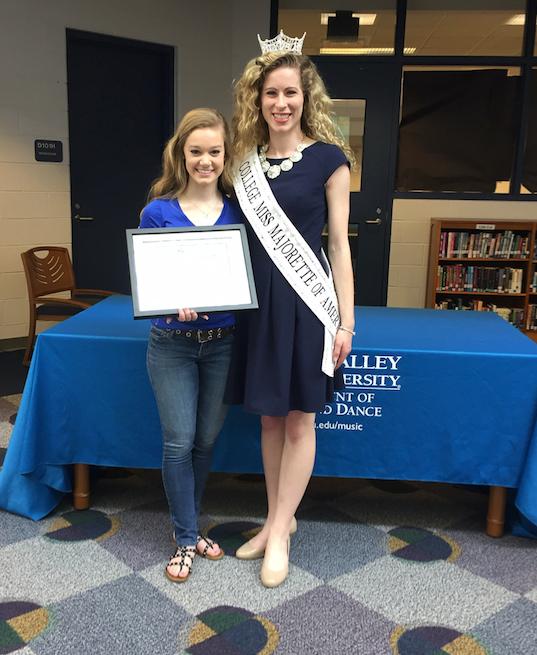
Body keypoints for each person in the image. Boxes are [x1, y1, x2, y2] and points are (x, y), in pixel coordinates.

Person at [226, 34, 355, 588]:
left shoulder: (329, 160)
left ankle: (278, 532)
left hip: (308, 306)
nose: (281, 103)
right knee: (269, 417)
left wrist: (346, 321)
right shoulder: (241, 164)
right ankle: (278, 517)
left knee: (300, 417)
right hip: (258, 307)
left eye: (291, 93)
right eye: (271, 93)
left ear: (306, 98)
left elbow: (340, 247)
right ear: (257, 100)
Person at [140, 108, 242, 582]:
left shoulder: (239, 210)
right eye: (196, 151)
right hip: (173, 345)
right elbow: (150, 279)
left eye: (214, 151)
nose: (206, 160)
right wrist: (169, 302)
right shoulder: (157, 211)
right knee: (179, 442)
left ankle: (192, 524)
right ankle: (185, 538)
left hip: (223, 342)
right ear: (181, 154)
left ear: (226, 155)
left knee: (205, 441)